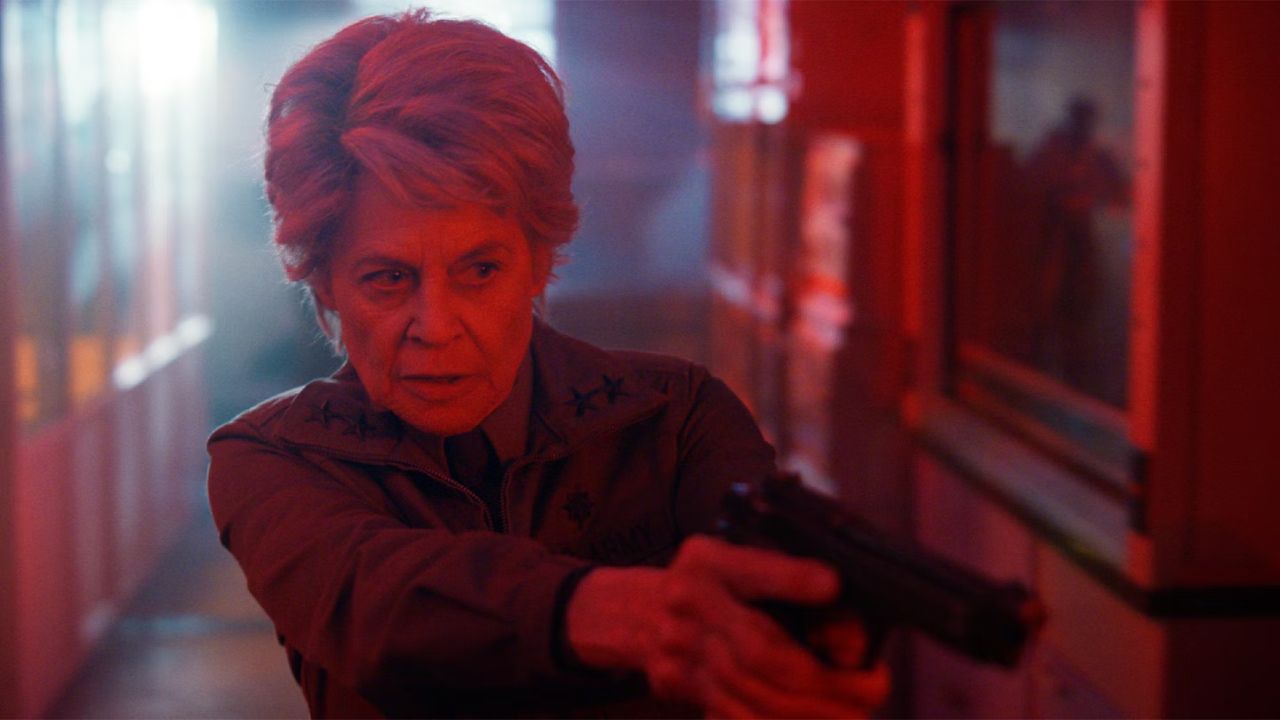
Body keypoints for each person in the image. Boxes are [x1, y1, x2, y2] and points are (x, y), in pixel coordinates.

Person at [207, 9, 889, 718]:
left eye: (479, 270)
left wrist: (807, 648)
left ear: (538, 261)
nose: (435, 328)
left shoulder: (677, 418)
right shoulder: (271, 458)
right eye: (388, 279)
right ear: (325, 286)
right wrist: (613, 613)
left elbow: (773, 591)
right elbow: (376, 603)